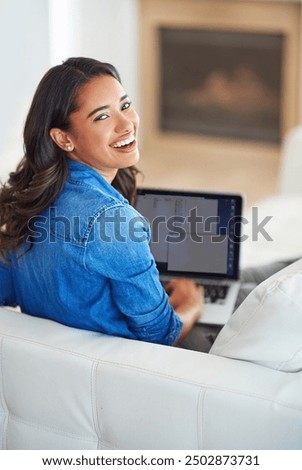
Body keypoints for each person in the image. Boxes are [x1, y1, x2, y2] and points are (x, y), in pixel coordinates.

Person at [0, 57, 203, 348]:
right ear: (64, 138)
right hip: (146, 365)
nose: (127, 124)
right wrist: (191, 306)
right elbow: (161, 334)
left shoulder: (26, 199)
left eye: (124, 105)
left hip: (62, 364)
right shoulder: (113, 219)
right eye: (102, 117)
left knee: (269, 272)